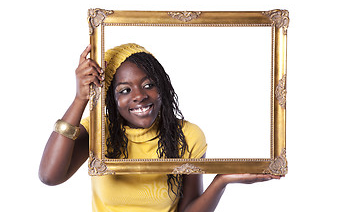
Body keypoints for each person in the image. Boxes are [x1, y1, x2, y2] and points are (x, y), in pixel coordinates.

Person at [39, 43, 280, 212]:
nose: (139, 96)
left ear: (162, 87)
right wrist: (81, 98)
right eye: (124, 90)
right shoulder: (99, 130)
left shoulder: (188, 135)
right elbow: (50, 176)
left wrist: (222, 179)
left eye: (148, 84)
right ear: (111, 99)